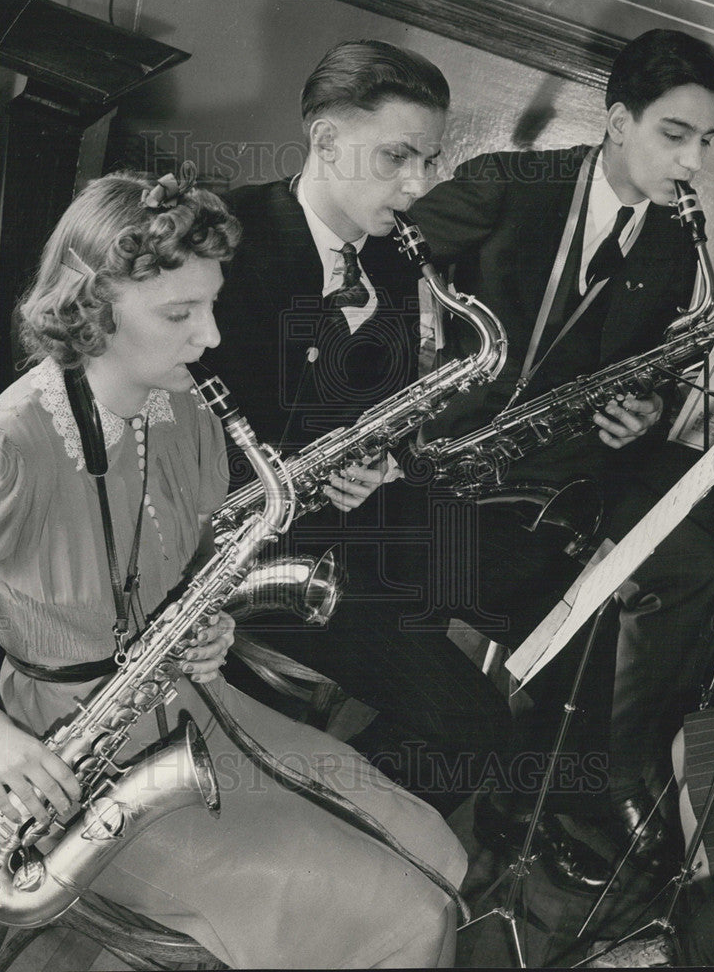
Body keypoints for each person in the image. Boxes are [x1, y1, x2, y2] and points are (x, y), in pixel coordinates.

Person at [0, 167, 468, 968]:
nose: (210, 338)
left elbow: (190, 567)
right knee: (401, 917)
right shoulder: (5, 446)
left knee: (436, 852)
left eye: (209, 306)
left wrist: (212, 621)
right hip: (68, 759)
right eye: (180, 313)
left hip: (188, 705)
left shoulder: (183, 410)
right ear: (92, 309)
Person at [410, 28, 714, 889]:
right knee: (584, 592)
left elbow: (647, 370)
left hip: (564, 467)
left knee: (702, 560)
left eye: (706, 141)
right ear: (617, 121)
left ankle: (590, 776)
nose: (694, 162)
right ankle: (543, 794)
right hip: (450, 470)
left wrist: (647, 411)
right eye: (675, 134)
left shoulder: (671, 246)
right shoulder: (509, 187)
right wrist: (431, 369)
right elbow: (380, 263)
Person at [207, 40, 512, 820]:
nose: (417, 187)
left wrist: (377, 463)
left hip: (338, 527)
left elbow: (379, 409)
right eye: (397, 158)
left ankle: (319, 801)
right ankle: (308, 838)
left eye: (429, 161)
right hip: (237, 548)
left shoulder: (397, 264)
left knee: (495, 570)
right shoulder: (227, 239)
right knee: (472, 724)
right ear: (325, 140)